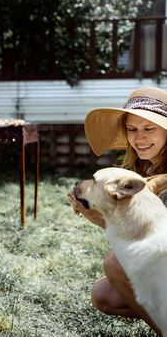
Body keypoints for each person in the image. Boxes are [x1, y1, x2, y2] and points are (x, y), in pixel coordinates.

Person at [68, 86, 167, 336]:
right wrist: (98, 218)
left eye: (149, 128)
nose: (139, 138)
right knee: (104, 296)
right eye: (132, 129)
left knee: (115, 264)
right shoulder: (144, 170)